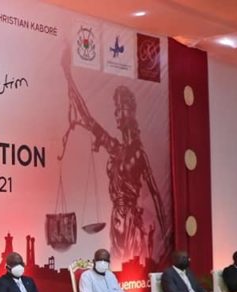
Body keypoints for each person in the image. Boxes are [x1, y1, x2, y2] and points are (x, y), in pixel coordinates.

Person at [61, 57, 169, 263]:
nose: (117, 114)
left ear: (130, 113)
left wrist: (165, 238)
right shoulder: (116, 149)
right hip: (116, 219)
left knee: (131, 263)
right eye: (116, 109)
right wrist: (68, 77)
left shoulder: (138, 154)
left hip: (130, 220)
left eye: (121, 109)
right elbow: (88, 119)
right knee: (115, 262)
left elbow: (156, 196)